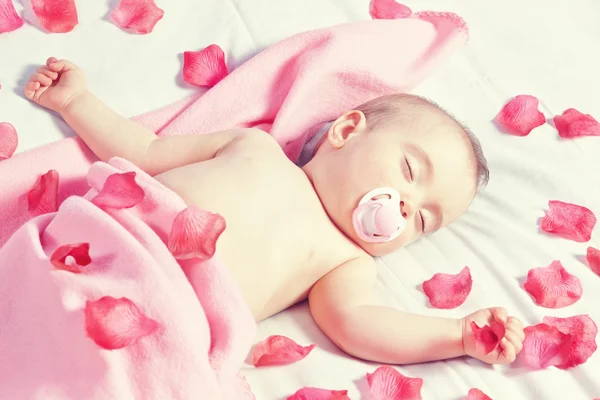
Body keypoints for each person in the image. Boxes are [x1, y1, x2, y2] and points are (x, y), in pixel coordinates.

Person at [24, 57, 525, 366]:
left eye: (422, 221)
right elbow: (147, 153)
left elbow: (357, 323)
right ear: (346, 131)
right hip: (103, 247)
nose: (406, 207)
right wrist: (78, 103)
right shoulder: (253, 146)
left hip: (167, 319)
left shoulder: (345, 259)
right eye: (410, 173)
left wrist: (456, 335)